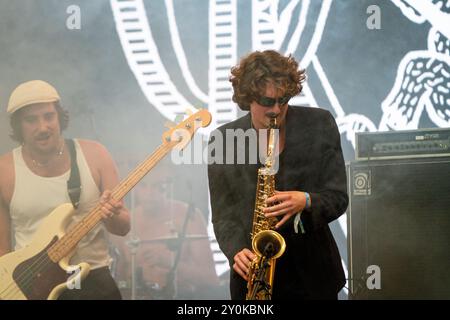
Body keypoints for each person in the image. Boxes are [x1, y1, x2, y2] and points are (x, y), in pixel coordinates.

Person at [208, 50, 348, 300]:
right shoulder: (224, 140)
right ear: (247, 98)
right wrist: (236, 251)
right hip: (254, 276)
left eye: (283, 100)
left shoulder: (319, 124)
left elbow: (338, 197)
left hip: (314, 277)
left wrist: (305, 200)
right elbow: (222, 216)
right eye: (266, 101)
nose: (276, 110)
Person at [0, 80, 131, 299]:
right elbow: (2, 251)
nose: (43, 127)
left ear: (59, 117)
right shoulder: (4, 171)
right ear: (18, 126)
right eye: (31, 120)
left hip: (94, 280)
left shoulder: (95, 155)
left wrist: (113, 214)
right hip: (33, 289)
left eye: (49, 116)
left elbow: (123, 228)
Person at [110, 161, 220, 299]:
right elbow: (118, 280)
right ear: (135, 188)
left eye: (158, 186)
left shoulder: (188, 216)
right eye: (144, 186)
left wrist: (171, 263)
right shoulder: (125, 222)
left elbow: (210, 278)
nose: (150, 193)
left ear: (169, 186)